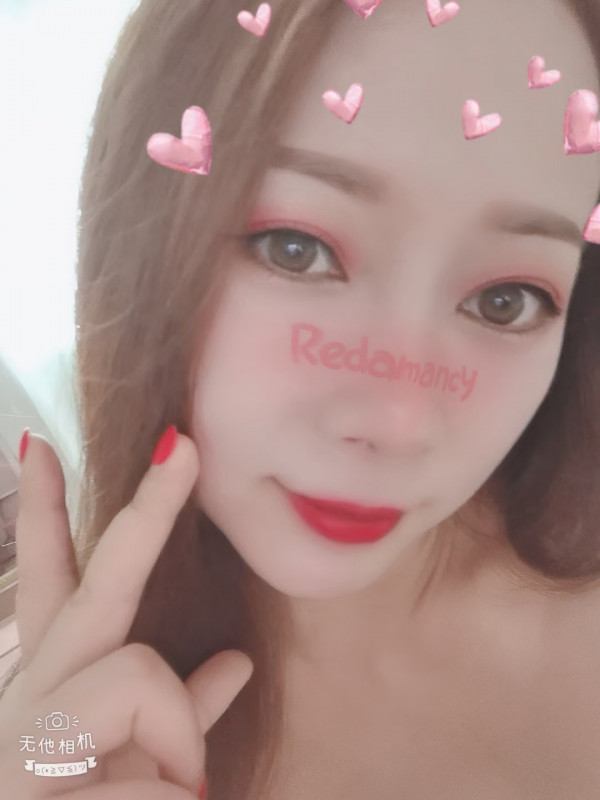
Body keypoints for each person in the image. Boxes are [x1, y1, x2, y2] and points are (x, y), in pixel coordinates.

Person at [1, 0, 600, 797]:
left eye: (506, 301)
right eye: (297, 249)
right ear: (144, 249)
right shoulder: (59, 724)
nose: (397, 424)